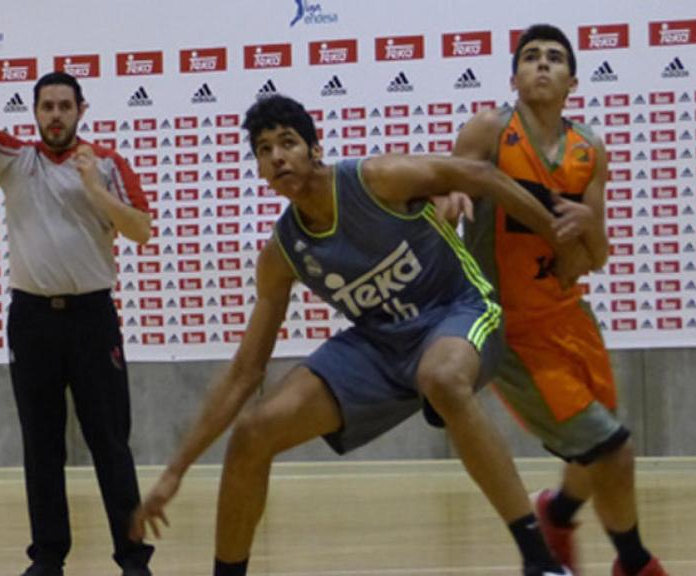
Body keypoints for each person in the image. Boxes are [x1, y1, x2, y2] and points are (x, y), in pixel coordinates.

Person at [130, 93, 582, 576]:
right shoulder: (283, 252)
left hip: (457, 309)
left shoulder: (375, 178)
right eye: (264, 150)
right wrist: (175, 471)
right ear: (260, 169)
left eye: (288, 143)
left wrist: (558, 233)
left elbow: (481, 176)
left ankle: (541, 561)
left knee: (442, 377)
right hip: (381, 341)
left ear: (314, 148)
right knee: (252, 433)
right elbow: (245, 371)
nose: (278, 156)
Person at [442, 24, 669, 576]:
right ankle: (634, 562)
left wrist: (588, 224)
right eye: (531, 57)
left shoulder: (588, 148)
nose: (542, 65)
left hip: (570, 316)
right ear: (514, 76)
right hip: (512, 328)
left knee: (596, 446)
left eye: (554, 58)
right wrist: (448, 192)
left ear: (573, 81)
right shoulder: (490, 131)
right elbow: (446, 183)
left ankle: (559, 511)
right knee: (610, 448)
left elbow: (597, 257)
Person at [0, 11, 154, 576]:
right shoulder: (15, 159)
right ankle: (48, 559)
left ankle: (132, 558)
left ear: (81, 111)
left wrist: (92, 189)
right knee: (41, 444)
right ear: (35, 114)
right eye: (46, 106)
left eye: (65, 105)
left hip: (92, 319)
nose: (55, 114)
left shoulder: (106, 165)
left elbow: (140, 230)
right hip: (32, 320)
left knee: (111, 442)